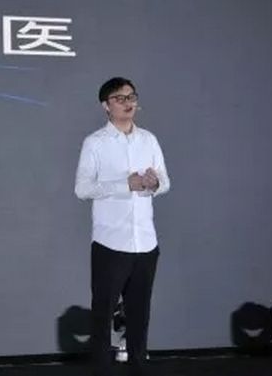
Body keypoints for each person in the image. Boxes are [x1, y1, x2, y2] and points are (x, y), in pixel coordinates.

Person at [75, 77, 171, 376]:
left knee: (140, 313)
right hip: (110, 242)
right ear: (106, 106)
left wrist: (154, 184)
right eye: (120, 98)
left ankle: (139, 366)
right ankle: (102, 369)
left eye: (131, 97)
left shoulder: (149, 140)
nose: (128, 103)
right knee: (103, 314)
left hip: (146, 242)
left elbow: (166, 182)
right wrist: (123, 185)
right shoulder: (95, 143)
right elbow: (82, 189)